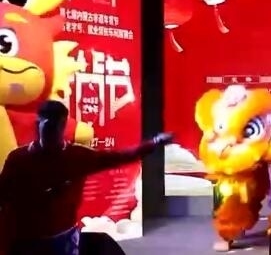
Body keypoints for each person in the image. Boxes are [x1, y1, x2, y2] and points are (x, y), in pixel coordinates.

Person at [0, 100, 173, 255]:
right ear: (37, 124)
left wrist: (154, 143)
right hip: (26, 240)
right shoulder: (18, 159)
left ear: (62, 126)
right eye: (43, 125)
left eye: (53, 126)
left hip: (63, 239)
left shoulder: (77, 156)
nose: (47, 130)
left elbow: (120, 157)